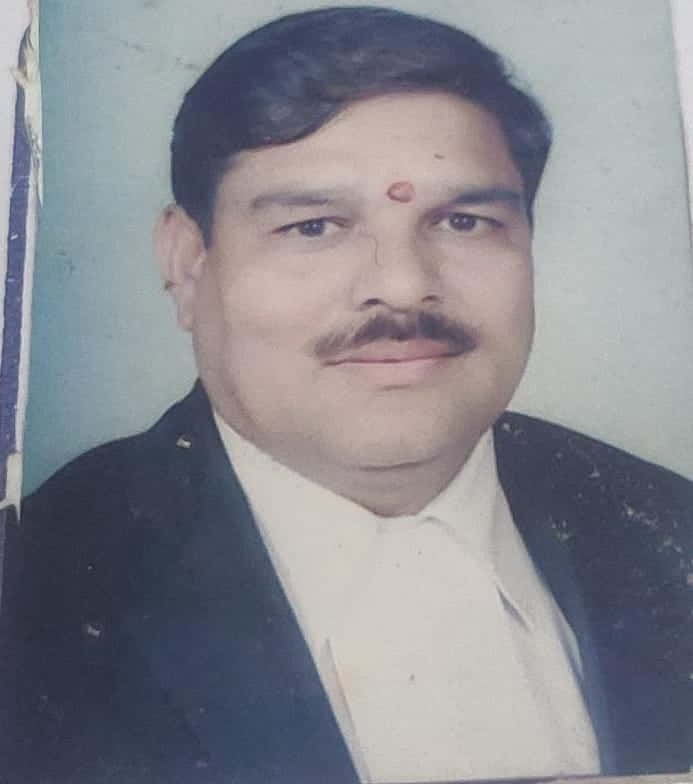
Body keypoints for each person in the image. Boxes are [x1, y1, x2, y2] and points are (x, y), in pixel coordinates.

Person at [2, 6, 692, 783]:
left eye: (463, 222)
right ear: (187, 262)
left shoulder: (667, 531)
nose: (401, 286)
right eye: (314, 226)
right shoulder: (37, 586)